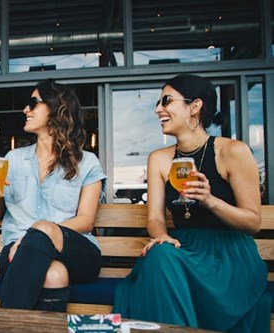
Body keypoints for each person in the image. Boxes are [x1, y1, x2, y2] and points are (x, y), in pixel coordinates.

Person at [113, 74, 270, 332]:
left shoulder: (233, 151)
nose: (157, 109)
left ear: (194, 107)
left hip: (228, 255)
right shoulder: (159, 159)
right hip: (182, 248)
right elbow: (154, 218)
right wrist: (162, 237)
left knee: (160, 263)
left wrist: (210, 201)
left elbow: (252, 223)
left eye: (166, 101)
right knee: (160, 254)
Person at [0, 79, 106, 312]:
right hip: (17, 254)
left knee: (43, 229)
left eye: (33, 103)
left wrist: (35, 234)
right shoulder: (13, 159)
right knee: (54, 274)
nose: (25, 110)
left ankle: (4, 325)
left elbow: (86, 220)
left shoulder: (87, 162)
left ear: (56, 109)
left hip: (75, 252)